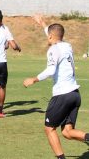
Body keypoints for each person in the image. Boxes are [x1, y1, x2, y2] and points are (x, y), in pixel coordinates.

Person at [23, 22, 89, 159]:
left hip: (62, 95)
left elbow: (51, 70)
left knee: (49, 128)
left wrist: (33, 79)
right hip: (75, 95)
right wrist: (43, 24)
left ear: (51, 36)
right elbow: (55, 32)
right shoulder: (67, 46)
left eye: (48, 36)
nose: (47, 38)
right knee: (67, 132)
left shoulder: (54, 49)